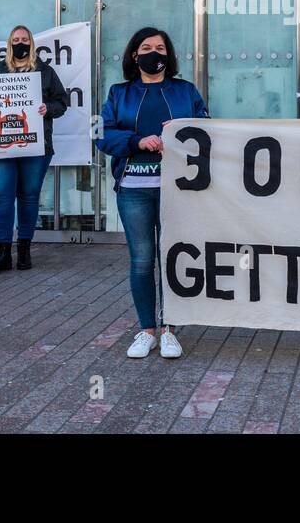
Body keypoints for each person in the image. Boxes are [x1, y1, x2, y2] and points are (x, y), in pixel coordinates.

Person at [97, 27, 209, 360]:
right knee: (143, 261)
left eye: (160, 47)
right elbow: (102, 134)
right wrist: (137, 142)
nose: (154, 53)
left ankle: (171, 329)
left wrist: (179, 137)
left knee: (173, 259)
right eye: (146, 47)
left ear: (168, 55)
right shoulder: (119, 94)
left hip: (178, 192)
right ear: (135, 55)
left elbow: (205, 127)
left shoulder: (185, 91)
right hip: (133, 190)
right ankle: (147, 329)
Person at [0, 25, 69, 275]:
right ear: (9, 44)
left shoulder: (45, 71)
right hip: (2, 144)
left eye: (24, 39)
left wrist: (46, 108)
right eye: (15, 40)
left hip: (37, 144)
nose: (20, 43)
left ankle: (24, 250)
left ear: (31, 43)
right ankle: (2, 253)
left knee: (29, 196)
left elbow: (62, 102)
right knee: (0, 195)